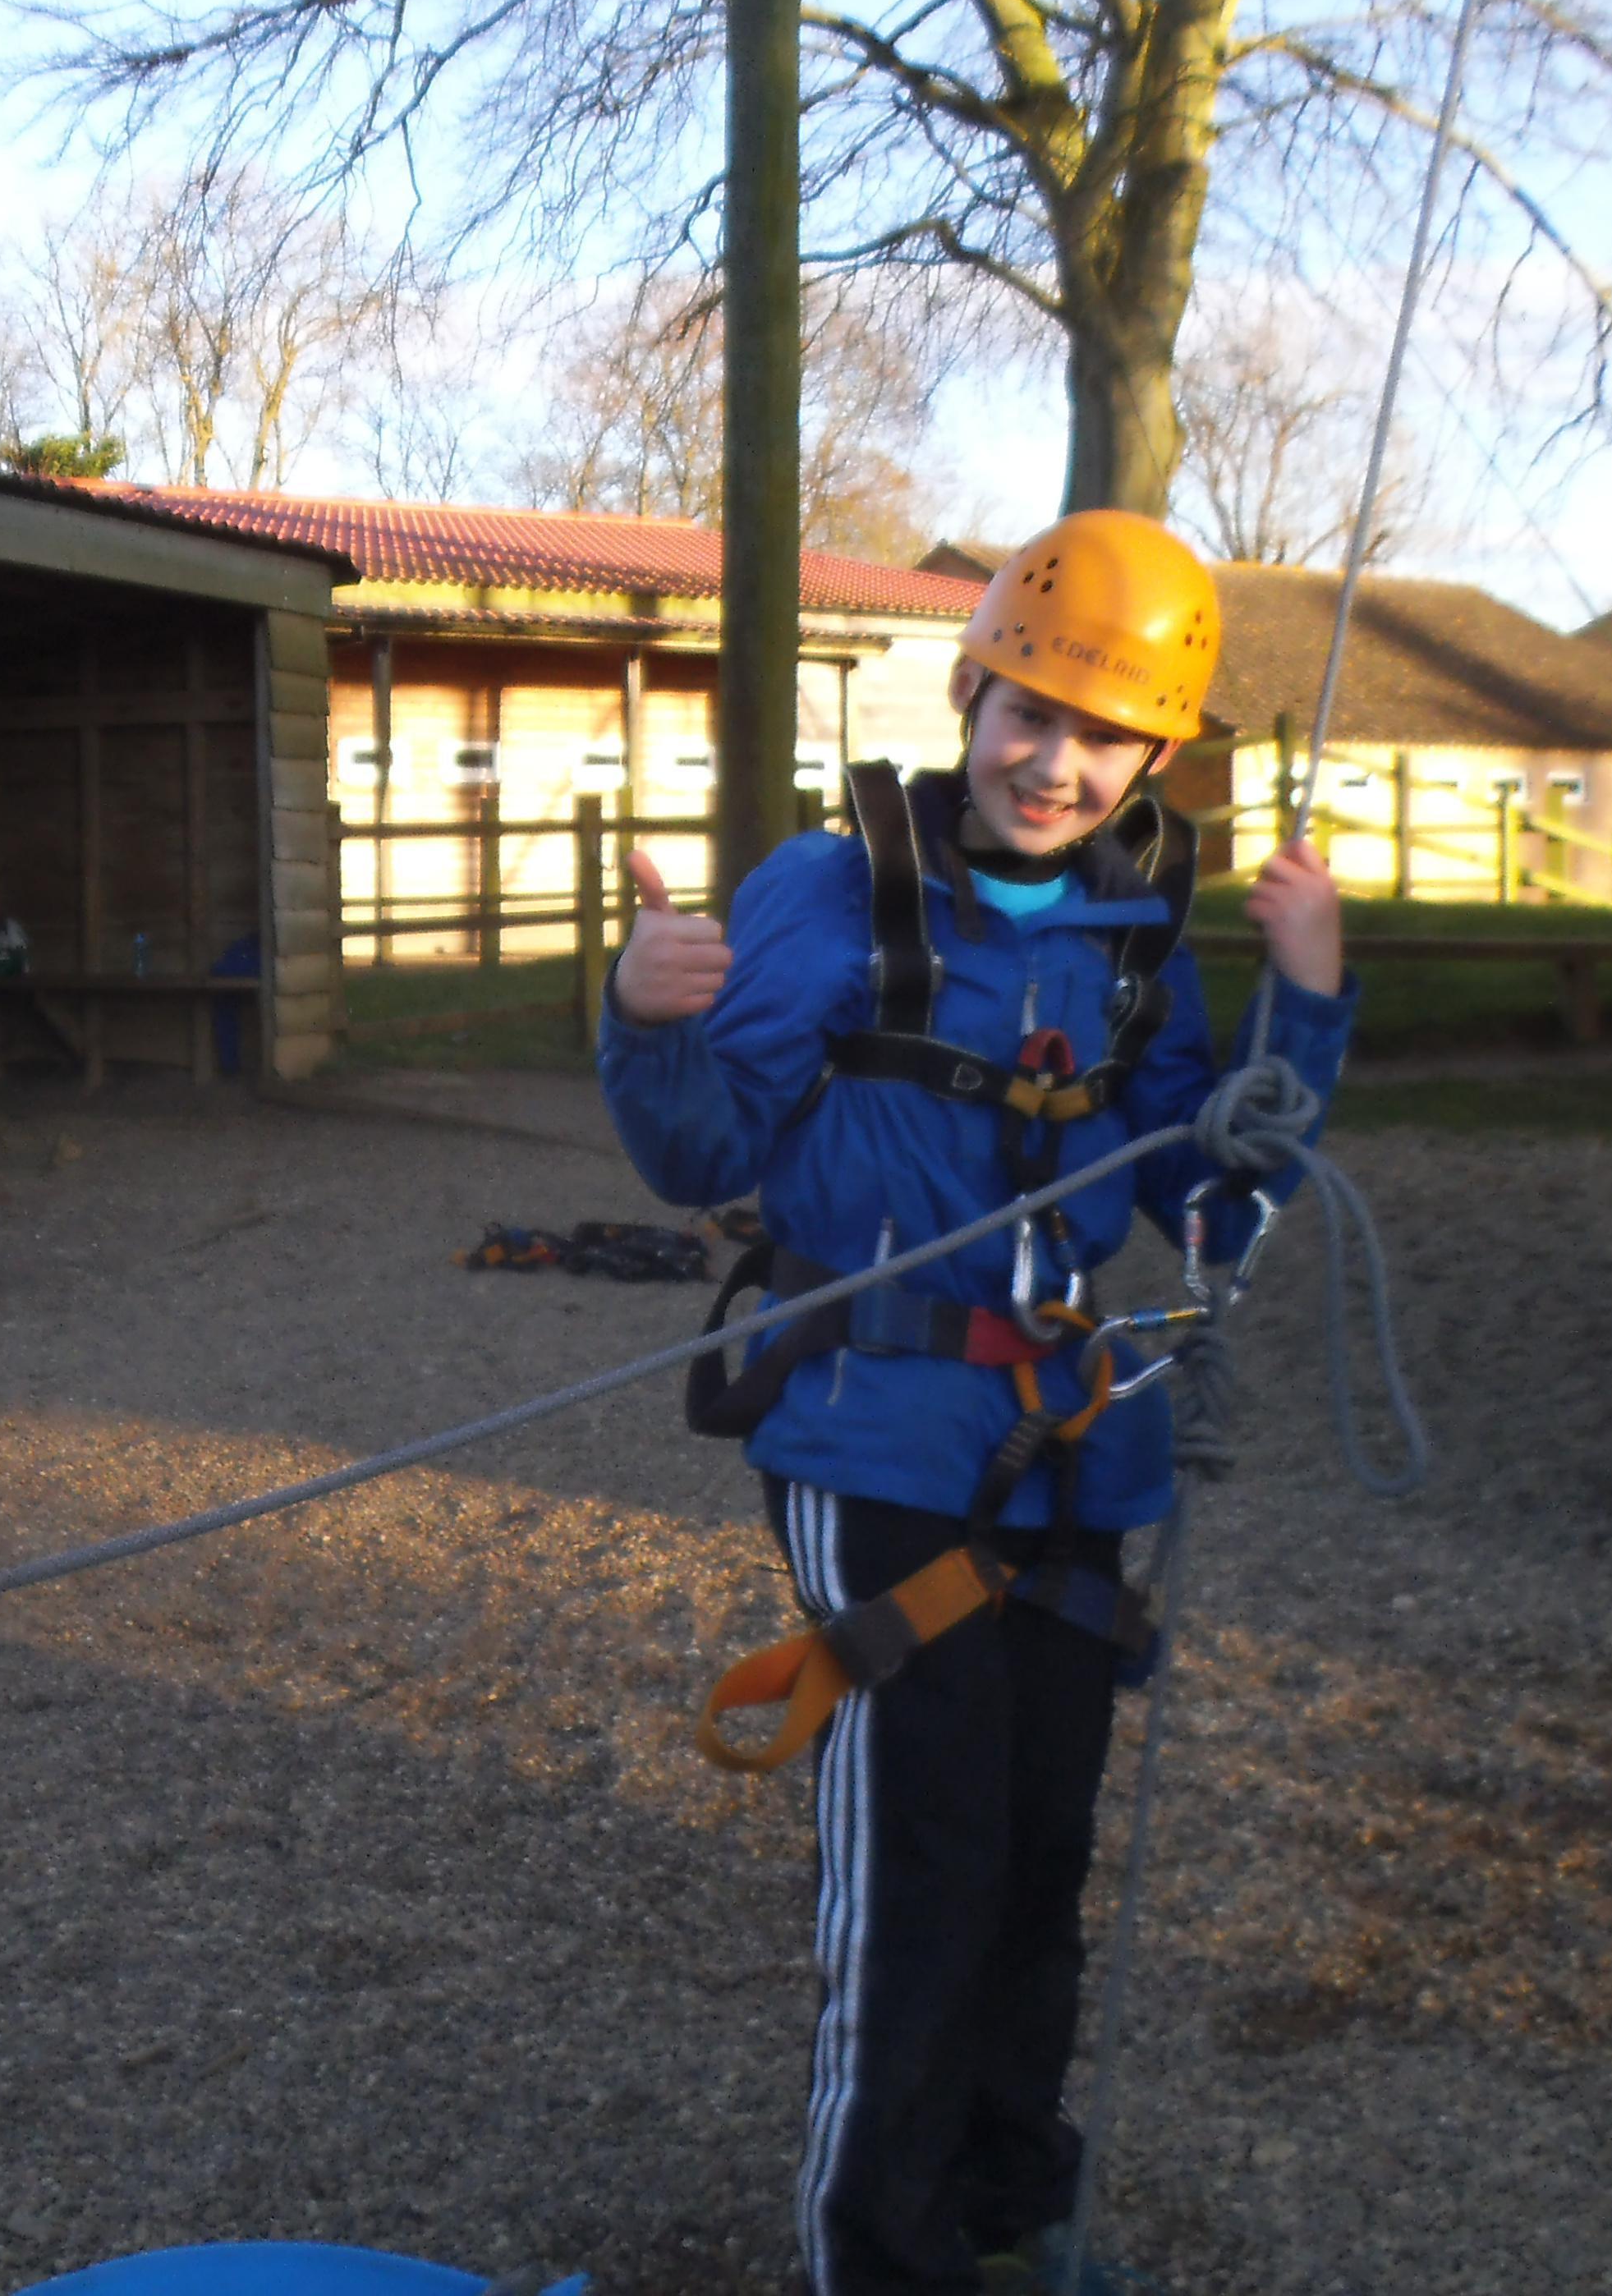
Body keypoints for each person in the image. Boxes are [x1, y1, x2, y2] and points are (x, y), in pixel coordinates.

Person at [599, 511, 1349, 2296]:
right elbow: (701, 1153)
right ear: (967, 691)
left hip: (1074, 1457)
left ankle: (1007, 2219)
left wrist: (1308, 1010)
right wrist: (648, 1016)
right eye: (1030, 714)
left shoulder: (1140, 933)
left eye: (1104, 736)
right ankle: (884, 2260)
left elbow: (1215, 1204)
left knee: (1036, 1862)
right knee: (926, 1875)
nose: (1055, 763)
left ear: (1154, 760)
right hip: (876, 1436)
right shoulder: (830, 893)